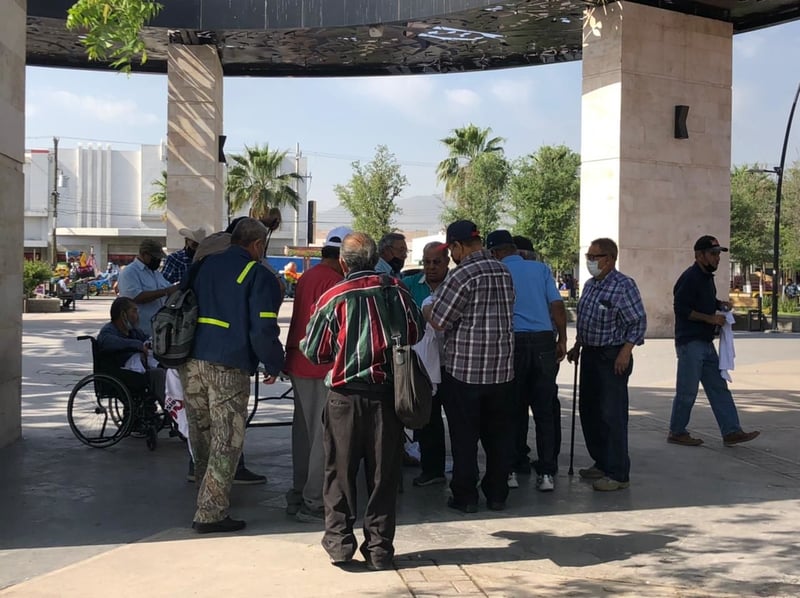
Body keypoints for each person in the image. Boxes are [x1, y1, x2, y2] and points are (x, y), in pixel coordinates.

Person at [301, 232, 424, 570]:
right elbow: (416, 332)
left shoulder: (334, 296)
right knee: (383, 476)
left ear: (344, 262)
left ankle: (340, 545)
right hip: (388, 398)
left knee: (339, 474)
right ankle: (380, 549)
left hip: (344, 398)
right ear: (374, 259)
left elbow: (315, 351)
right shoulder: (398, 292)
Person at [180, 218, 285, 534]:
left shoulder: (204, 265)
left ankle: (207, 495)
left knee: (202, 435)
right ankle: (210, 513)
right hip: (227, 364)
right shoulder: (257, 274)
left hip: (190, 361)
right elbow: (263, 329)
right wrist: (274, 363)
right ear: (256, 245)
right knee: (227, 440)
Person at [424, 220, 515, 513]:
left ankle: (465, 496)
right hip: (502, 372)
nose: (451, 256)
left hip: (465, 372)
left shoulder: (462, 275)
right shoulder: (503, 271)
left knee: (464, 438)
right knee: (498, 437)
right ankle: (497, 494)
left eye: (451, 249)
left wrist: (426, 306)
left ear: (458, 246)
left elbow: (439, 319)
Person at [486, 230, 566, 493]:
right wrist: (562, 339)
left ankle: (509, 469)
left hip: (513, 343)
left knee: (511, 409)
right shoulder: (540, 269)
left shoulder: (497, 272)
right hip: (543, 341)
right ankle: (546, 473)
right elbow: (556, 305)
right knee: (544, 411)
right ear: (515, 249)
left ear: (495, 252)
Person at [566, 238, 646, 492]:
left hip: (612, 356)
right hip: (590, 352)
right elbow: (587, 320)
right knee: (590, 411)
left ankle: (618, 472)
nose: (590, 261)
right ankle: (601, 461)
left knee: (612, 414)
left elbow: (637, 322)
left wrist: (625, 352)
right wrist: (578, 344)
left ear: (610, 259)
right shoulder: (590, 285)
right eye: (588, 256)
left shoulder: (623, 286)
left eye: (594, 257)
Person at [284, 226, 351, 523]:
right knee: (324, 438)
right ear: (343, 257)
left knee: (304, 433)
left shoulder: (306, 276)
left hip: (299, 362)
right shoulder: (337, 282)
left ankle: (299, 491)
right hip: (324, 366)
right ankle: (313, 501)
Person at [668, 235, 760, 447]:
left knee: (718, 387)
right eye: (713, 254)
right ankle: (677, 431)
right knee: (687, 390)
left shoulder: (706, 277)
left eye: (719, 254)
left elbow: (704, 302)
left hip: (705, 342)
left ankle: (732, 431)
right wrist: (709, 318)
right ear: (699, 255)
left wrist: (719, 304)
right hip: (690, 342)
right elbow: (681, 308)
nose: (717, 258)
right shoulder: (690, 277)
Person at [402, 241, 450, 487]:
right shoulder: (410, 285)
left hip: (453, 363)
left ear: (447, 262)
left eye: (436, 262)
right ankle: (432, 469)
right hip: (421, 364)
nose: (431, 267)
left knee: (457, 417)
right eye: (427, 262)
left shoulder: (455, 284)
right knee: (427, 417)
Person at [96, 296, 166, 407]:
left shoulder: (134, 331)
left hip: (137, 370)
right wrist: (137, 345)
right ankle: (167, 411)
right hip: (118, 372)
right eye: (134, 311)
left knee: (166, 370)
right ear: (123, 314)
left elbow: (147, 340)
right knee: (158, 374)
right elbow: (106, 342)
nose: (137, 316)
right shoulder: (109, 330)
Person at [117, 239, 178, 338]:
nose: (158, 261)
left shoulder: (156, 273)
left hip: (158, 331)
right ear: (144, 254)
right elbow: (135, 297)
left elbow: (169, 289)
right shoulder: (130, 272)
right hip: (139, 332)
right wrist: (166, 291)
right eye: (155, 258)